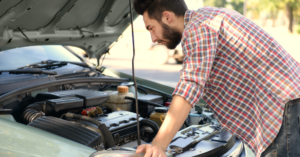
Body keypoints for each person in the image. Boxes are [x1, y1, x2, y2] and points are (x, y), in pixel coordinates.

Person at [133, 0, 300, 157]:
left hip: (282, 111)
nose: (153, 39)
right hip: (287, 107)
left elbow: (190, 84)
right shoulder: (209, 17)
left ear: (167, 17)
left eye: (151, 28)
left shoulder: (198, 27)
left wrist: (159, 145)